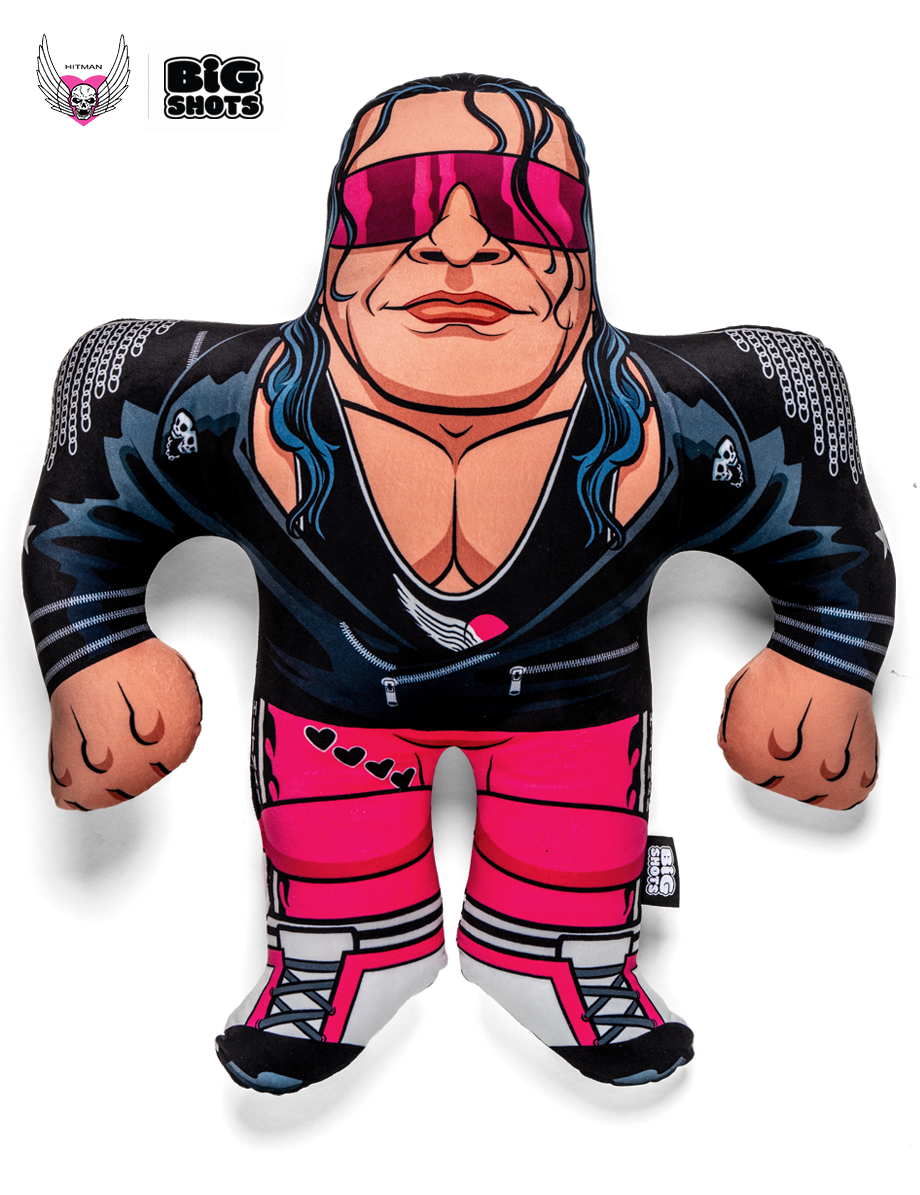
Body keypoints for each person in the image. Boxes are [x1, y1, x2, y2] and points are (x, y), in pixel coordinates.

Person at [23, 74, 894, 1093]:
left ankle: (563, 954)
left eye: (525, 207)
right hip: (331, 715)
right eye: (397, 202)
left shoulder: (691, 408)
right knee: (333, 860)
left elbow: (815, 503)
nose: (459, 240)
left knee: (573, 861)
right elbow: (100, 453)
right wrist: (91, 646)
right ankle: (339, 954)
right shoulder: (219, 397)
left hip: (571, 718)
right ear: (336, 237)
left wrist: (827, 659)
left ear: (581, 245)